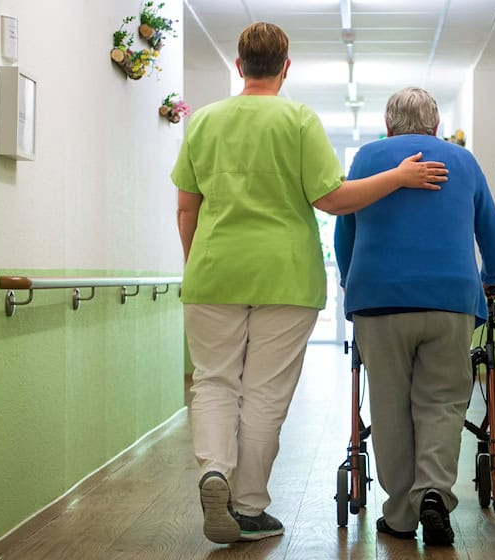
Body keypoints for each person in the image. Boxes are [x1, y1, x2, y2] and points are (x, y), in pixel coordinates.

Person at [170, 23, 448, 545]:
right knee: (265, 394)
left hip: (211, 273)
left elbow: (187, 207)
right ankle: (248, 506)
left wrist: (198, 266)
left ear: (238, 65)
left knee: (213, 381)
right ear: (286, 66)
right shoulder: (297, 118)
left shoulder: (203, 121)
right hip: (285, 275)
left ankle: (214, 473)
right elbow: (332, 198)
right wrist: (399, 178)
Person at [334, 87, 495, 546]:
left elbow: (344, 230)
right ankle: (434, 491)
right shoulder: (462, 160)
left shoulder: (368, 157)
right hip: (450, 299)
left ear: (388, 127)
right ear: (435, 128)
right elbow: (491, 230)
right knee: (443, 403)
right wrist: (494, 277)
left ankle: (400, 515)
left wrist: (352, 282)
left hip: (379, 300)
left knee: (389, 406)